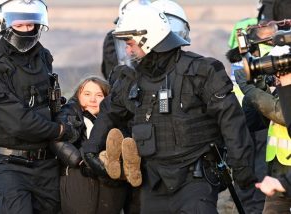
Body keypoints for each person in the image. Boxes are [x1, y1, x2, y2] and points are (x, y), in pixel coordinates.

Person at [83, 2, 257, 213]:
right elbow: (110, 111)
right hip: (152, 183)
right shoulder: (130, 79)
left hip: (196, 180)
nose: (127, 50)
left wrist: (242, 167)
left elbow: (231, 120)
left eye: (130, 43)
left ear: (148, 39)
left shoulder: (201, 71)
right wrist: (91, 149)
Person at [0, 0, 79, 213]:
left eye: (31, 24)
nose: (27, 30)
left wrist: (66, 115)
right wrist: (59, 130)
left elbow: (52, 102)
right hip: (9, 164)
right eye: (20, 25)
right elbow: (16, 121)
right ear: (3, 24)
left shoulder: (43, 57)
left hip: (46, 162)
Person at [51, 76, 131, 214]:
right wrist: (82, 161)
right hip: (78, 181)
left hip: (110, 187)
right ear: (78, 95)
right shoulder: (67, 115)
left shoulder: (118, 121)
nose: (92, 100)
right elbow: (57, 140)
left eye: (99, 95)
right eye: (87, 94)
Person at [235, 44, 291, 213]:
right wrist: (259, 86)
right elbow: (259, 120)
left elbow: (280, 113)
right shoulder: (281, 91)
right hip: (277, 174)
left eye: (280, 72)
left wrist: (250, 90)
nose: (276, 78)